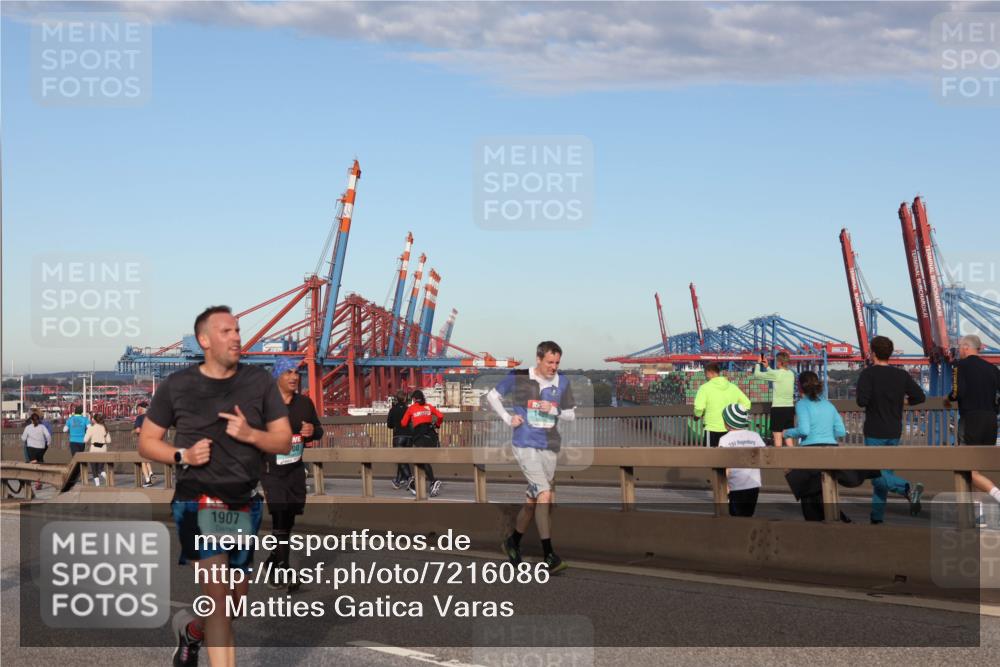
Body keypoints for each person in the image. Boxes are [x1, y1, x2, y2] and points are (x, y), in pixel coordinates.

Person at [138, 305, 291, 667]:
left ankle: (192, 632)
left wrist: (252, 434)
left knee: (236, 602)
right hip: (198, 500)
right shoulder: (178, 385)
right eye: (226, 331)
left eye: (237, 330)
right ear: (204, 340)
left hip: (244, 502)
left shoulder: (259, 382)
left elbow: (283, 441)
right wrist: (183, 456)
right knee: (220, 600)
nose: (236, 336)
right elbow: (147, 441)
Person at [488, 341, 576, 574]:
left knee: (532, 503)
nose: (554, 367)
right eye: (549, 362)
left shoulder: (562, 382)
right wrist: (508, 419)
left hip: (549, 446)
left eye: (557, 362)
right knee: (545, 493)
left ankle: (512, 542)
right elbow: (492, 396)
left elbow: (571, 415)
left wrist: (554, 409)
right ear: (538, 359)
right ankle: (549, 556)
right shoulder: (519, 376)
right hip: (525, 444)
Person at [261, 358, 323, 592]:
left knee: (289, 519)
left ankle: (272, 561)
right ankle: (283, 568)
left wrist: (311, 431)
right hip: (270, 469)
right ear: (277, 376)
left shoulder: (305, 404)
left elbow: (318, 429)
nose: (294, 376)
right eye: (288, 372)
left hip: (295, 469)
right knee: (279, 514)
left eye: (296, 372)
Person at [856, 335, 926, 523]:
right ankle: (876, 518)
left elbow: (861, 401)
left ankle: (907, 489)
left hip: (874, 430)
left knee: (876, 475)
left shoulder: (867, 374)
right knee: (884, 474)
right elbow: (920, 397)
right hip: (894, 430)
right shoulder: (901, 375)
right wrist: (904, 401)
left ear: (873, 353)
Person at [783, 371, 848, 521]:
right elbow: (841, 431)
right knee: (824, 491)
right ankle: (838, 519)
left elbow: (804, 430)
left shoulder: (802, 404)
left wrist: (787, 433)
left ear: (799, 386)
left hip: (811, 451)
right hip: (831, 449)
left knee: (809, 496)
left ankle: (820, 527)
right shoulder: (828, 404)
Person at [945, 334, 1000, 505]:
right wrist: (995, 410)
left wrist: (948, 399)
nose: (959, 350)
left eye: (960, 346)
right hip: (990, 420)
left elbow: (957, 392)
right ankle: (979, 514)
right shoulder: (993, 369)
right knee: (976, 469)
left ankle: (996, 494)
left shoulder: (959, 366)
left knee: (966, 468)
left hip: (970, 419)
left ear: (966, 347)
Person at [718, 403, 766, 517]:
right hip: (753, 484)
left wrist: (725, 486)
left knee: (736, 517)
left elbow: (724, 465)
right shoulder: (755, 436)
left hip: (735, 486)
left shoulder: (724, 440)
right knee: (748, 515)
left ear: (727, 423)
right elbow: (765, 455)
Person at [693, 363, 751, 447]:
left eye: (705, 374)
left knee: (710, 457)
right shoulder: (733, 387)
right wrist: (736, 415)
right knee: (727, 456)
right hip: (730, 428)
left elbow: (699, 408)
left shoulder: (704, 388)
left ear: (709, 372)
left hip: (711, 428)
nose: (706, 376)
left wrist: (696, 416)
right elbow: (747, 403)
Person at [401, 389, 444, 497]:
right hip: (431, 436)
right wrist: (437, 425)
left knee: (421, 459)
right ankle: (419, 484)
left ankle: (432, 481)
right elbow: (440, 416)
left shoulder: (411, 408)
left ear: (414, 399)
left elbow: (403, 423)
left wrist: (412, 422)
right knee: (422, 460)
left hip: (420, 437)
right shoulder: (429, 406)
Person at [753, 351, 796, 447]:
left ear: (779, 362)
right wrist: (767, 367)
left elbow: (757, 374)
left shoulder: (777, 374)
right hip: (790, 408)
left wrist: (758, 363)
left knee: (777, 436)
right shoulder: (791, 374)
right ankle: (793, 459)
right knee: (788, 436)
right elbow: (775, 374)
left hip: (778, 408)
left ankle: (778, 460)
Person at [387, 390, 413, 490]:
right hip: (409, 437)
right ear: (405, 398)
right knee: (403, 459)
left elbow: (389, 425)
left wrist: (396, 424)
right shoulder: (408, 409)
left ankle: (410, 478)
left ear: (397, 399)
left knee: (400, 459)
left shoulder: (393, 410)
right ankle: (398, 481)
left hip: (398, 437)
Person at [21, 413, 51, 490]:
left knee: (34, 464)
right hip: (41, 448)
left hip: (31, 448)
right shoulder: (42, 427)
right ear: (38, 419)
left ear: (31, 420)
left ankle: (33, 480)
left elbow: (23, 438)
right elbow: (48, 435)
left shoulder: (28, 428)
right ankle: (39, 481)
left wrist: (26, 438)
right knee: (40, 463)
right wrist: (48, 443)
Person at [63, 405, 90, 487]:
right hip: (82, 441)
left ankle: (75, 475)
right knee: (81, 458)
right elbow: (89, 428)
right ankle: (81, 474)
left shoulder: (70, 419)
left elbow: (64, 430)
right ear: (81, 412)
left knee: (75, 458)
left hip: (73, 441)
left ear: (75, 411)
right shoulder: (85, 419)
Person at [83, 413, 111, 486]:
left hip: (94, 449)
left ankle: (97, 484)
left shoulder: (91, 428)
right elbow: (109, 441)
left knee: (94, 468)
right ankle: (107, 477)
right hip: (103, 449)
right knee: (101, 468)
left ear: (94, 420)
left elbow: (85, 440)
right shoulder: (105, 428)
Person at [134, 401, 156, 487]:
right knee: (146, 459)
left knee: (142, 461)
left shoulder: (140, 418)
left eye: (138, 408)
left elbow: (138, 430)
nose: (137, 410)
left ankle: (147, 480)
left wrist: (135, 431)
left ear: (140, 408)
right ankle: (151, 473)